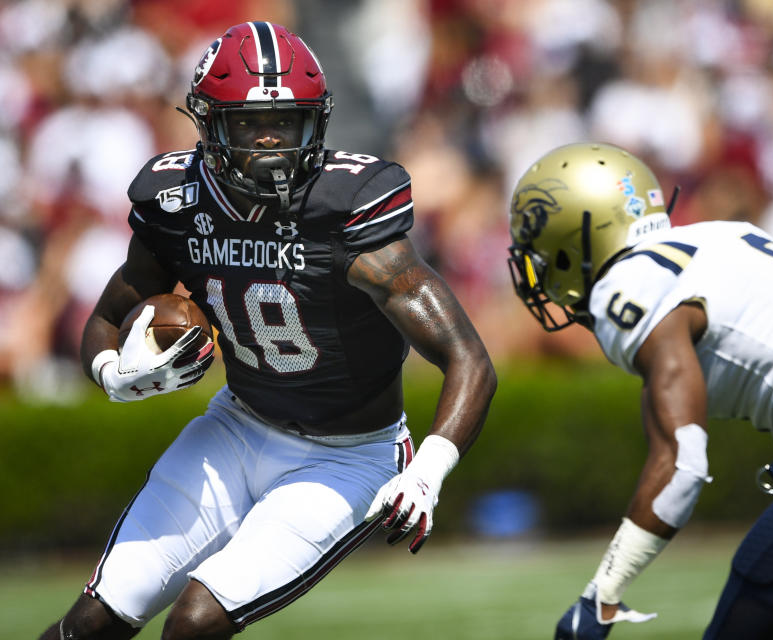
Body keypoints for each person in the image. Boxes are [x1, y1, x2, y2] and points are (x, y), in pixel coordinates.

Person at [39, 21, 496, 640]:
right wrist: (113, 375)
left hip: (348, 457)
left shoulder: (344, 207)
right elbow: (105, 317)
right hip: (235, 428)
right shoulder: (176, 201)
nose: (271, 142)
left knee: (195, 623)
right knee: (94, 621)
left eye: (288, 123)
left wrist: (428, 471)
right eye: (250, 124)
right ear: (208, 126)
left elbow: (469, 357)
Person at [506, 142, 773, 639]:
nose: (538, 269)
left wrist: (601, 596)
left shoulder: (629, 286)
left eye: (542, 250)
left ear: (577, 236)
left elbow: (682, 464)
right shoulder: (722, 236)